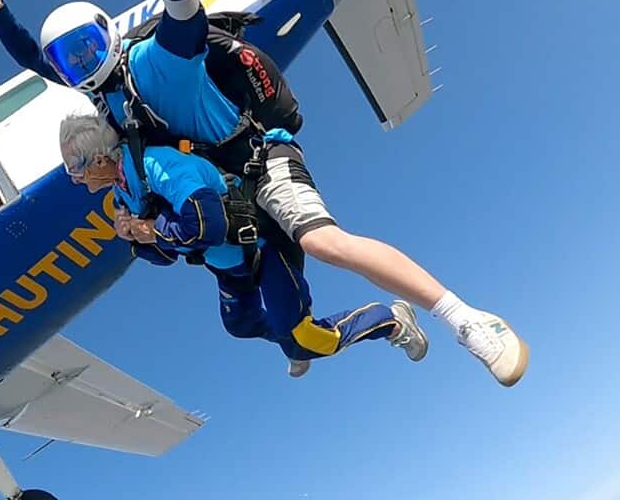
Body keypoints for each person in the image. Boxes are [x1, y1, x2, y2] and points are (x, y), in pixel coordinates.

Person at [0, 0, 528, 387]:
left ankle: (465, 319)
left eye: (85, 49)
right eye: (68, 61)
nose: (78, 66)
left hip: (261, 157)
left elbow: (183, 9)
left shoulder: (157, 60)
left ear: (107, 35)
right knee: (250, 320)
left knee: (325, 242)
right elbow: (35, 60)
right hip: (228, 194)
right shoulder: (110, 111)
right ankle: (297, 335)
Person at [57, 112, 427, 377]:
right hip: (229, 265)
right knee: (242, 323)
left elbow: (208, 224)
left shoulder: (157, 165)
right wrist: (135, 239)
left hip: (263, 247)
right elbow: (168, 254)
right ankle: (288, 335)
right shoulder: (124, 195)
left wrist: (151, 230)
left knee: (305, 339)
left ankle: (388, 320)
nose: (74, 179)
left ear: (100, 160)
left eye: (75, 168)